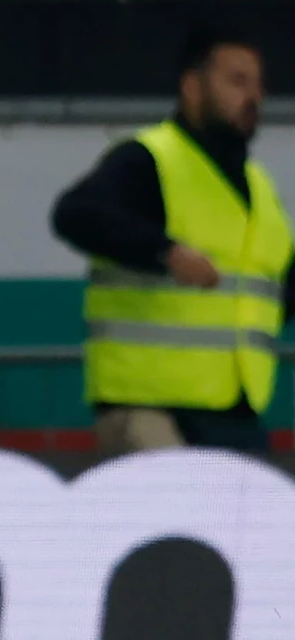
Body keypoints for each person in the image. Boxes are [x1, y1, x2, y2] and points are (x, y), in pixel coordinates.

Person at [52, 27, 292, 456]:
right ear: (192, 87)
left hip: (232, 411)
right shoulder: (150, 158)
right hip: (149, 408)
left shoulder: (260, 189)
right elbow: (76, 214)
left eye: (259, 85)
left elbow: (279, 292)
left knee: (257, 517)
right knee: (174, 512)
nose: (254, 97)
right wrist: (164, 252)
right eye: (237, 82)